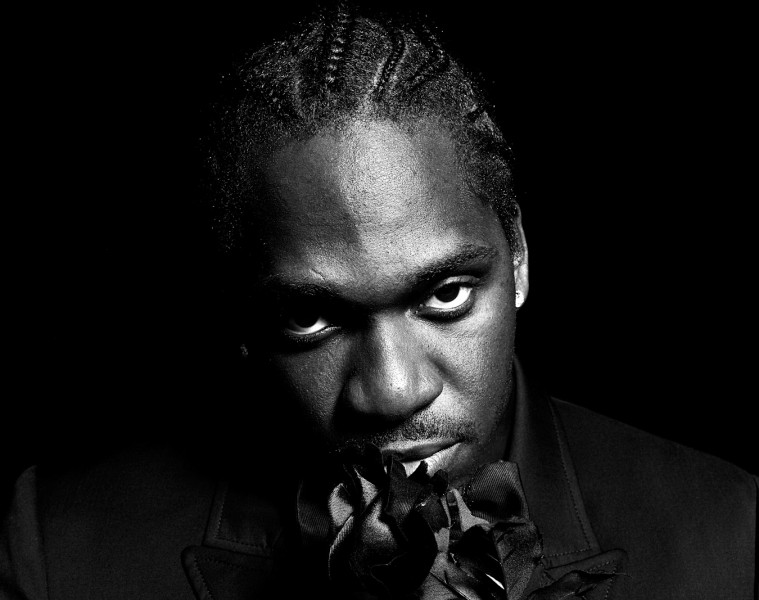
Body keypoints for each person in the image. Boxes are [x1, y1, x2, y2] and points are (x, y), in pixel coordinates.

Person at [1, 4, 756, 599]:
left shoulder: (731, 535)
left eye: (446, 295)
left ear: (519, 258)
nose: (393, 391)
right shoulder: (62, 547)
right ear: (239, 317)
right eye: (311, 316)